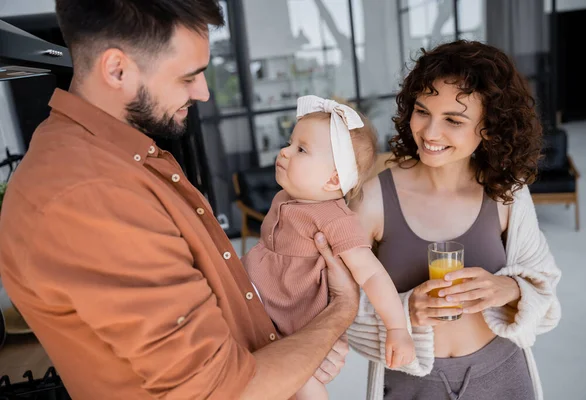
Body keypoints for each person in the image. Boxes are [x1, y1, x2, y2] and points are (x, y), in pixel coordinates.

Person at [0, 1, 360, 399]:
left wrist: (303, 347)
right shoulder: (90, 196)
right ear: (116, 69)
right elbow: (223, 391)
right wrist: (339, 311)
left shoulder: (122, 158)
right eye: (189, 76)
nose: (204, 93)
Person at [346, 40, 561, 400]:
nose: (430, 133)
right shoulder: (373, 200)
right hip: (410, 383)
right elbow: (334, 307)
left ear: (489, 128)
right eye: (422, 111)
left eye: (453, 120)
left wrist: (509, 289)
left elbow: (547, 299)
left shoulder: (506, 192)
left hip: (503, 375)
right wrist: (404, 313)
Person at [243, 95, 416, 399]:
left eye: (301, 150)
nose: (284, 151)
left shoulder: (336, 219)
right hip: (256, 295)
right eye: (290, 143)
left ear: (333, 179)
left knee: (305, 383)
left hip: (295, 320)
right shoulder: (285, 198)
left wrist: (397, 328)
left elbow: (372, 274)